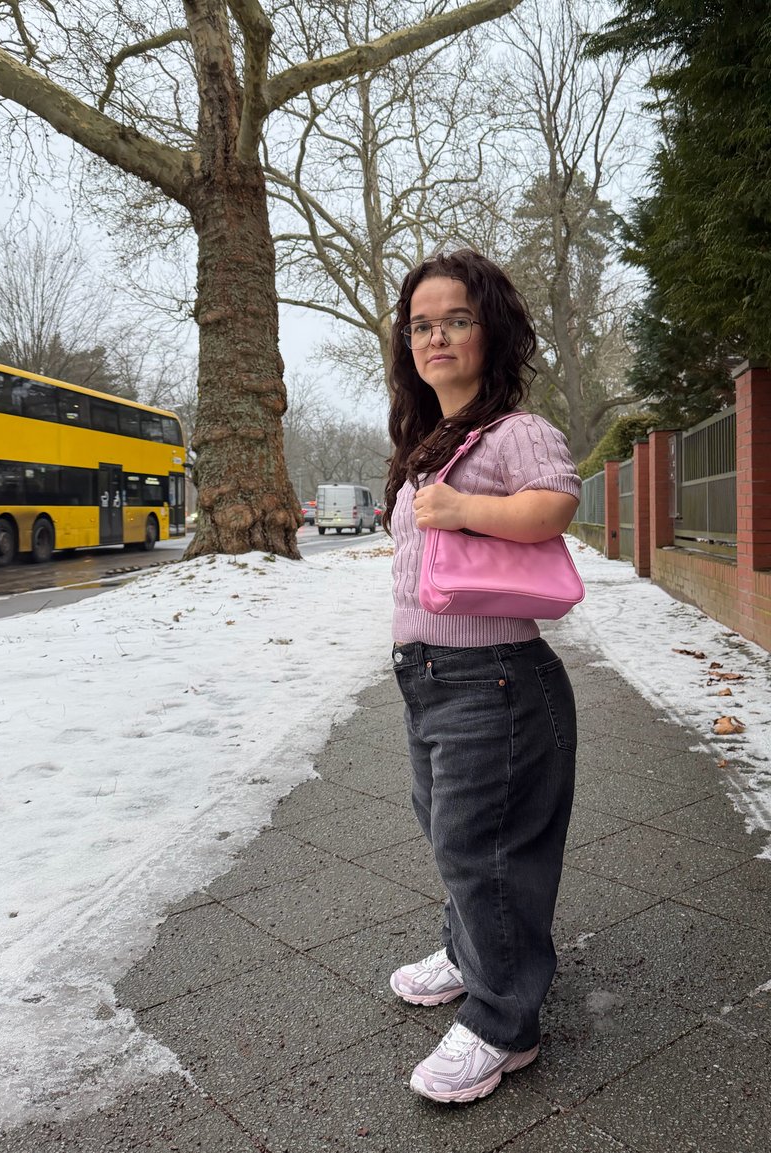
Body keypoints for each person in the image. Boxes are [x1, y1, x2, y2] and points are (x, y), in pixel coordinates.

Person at [383, 249, 581, 1105]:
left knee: (485, 846)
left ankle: (506, 1023)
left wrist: (462, 508)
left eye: (455, 318)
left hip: (494, 677)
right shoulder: (427, 437)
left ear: (488, 327)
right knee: (450, 832)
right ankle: (471, 954)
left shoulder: (514, 431)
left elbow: (555, 502)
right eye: (421, 324)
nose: (437, 336)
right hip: (430, 677)